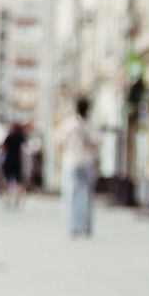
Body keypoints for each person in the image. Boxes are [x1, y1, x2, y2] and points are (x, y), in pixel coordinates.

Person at [61, 92, 97, 239]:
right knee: (87, 195)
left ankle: (72, 227)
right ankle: (86, 226)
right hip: (87, 161)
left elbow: (61, 143)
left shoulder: (69, 124)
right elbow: (95, 143)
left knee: (71, 195)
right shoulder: (89, 124)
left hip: (70, 162)